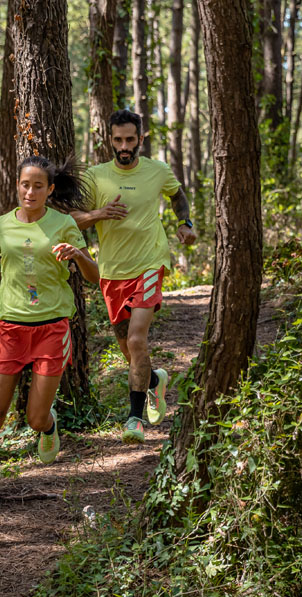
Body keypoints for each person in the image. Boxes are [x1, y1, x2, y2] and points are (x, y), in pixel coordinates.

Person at [0, 155, 99, 536]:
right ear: (16, 186)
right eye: (24, 184)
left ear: (50, 190)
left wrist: (78, 255)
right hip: (9, 331)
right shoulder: (1, 225)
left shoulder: (64, 225)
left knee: (35, 418)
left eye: (38, 186)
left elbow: (94, 276)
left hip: (51, 329)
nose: (30, 192)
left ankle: (48, 427)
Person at [71, 109, 198, 444]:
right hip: (112, 271)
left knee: (137, 340)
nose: (124, 146)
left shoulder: (157, 170)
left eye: (130, 139)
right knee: (127, 347)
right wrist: (99, 213)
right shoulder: (96, 176)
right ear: (110, 140)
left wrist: (185, 224)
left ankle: (134, 419)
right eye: (118, 140)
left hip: (149, 263)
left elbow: (177, 195)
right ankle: (154, 381)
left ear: (140, 138)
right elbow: (72, 218)